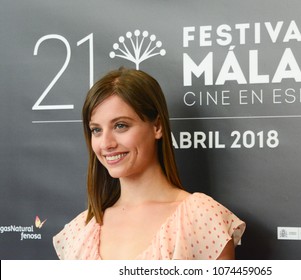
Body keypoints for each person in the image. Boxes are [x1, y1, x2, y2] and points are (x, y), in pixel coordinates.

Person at [53, 68, 245, 260]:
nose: (106, 143)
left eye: (120, 126)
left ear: (157, 127)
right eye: (96, 130)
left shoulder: (201, 218)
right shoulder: (79, 231)